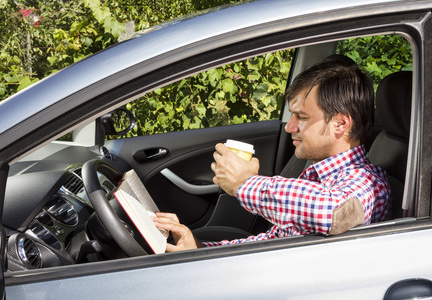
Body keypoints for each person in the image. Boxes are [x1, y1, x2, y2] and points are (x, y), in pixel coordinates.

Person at [153, 57, 391, 252]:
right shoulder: (317, 179)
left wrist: (244, 184)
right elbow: (273, 240)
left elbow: (334, 211)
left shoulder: (368, 183)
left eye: (303, 117)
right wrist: (200, 248)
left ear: (340, 123)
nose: (290, 127)